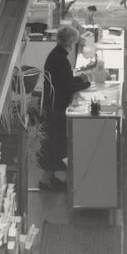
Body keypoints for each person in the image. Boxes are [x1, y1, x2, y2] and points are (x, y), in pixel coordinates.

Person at [38, 26, 92, 191]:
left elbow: (64, 79)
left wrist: (78, 78)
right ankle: (46, 180)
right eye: (74, 41)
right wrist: (86, 83)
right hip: (56, 107)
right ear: (69, 41)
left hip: (52, 104)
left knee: (55, 143)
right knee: (56, 143)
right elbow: (66, 85)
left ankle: (50, 178)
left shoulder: (56, 55)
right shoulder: (60, 59)